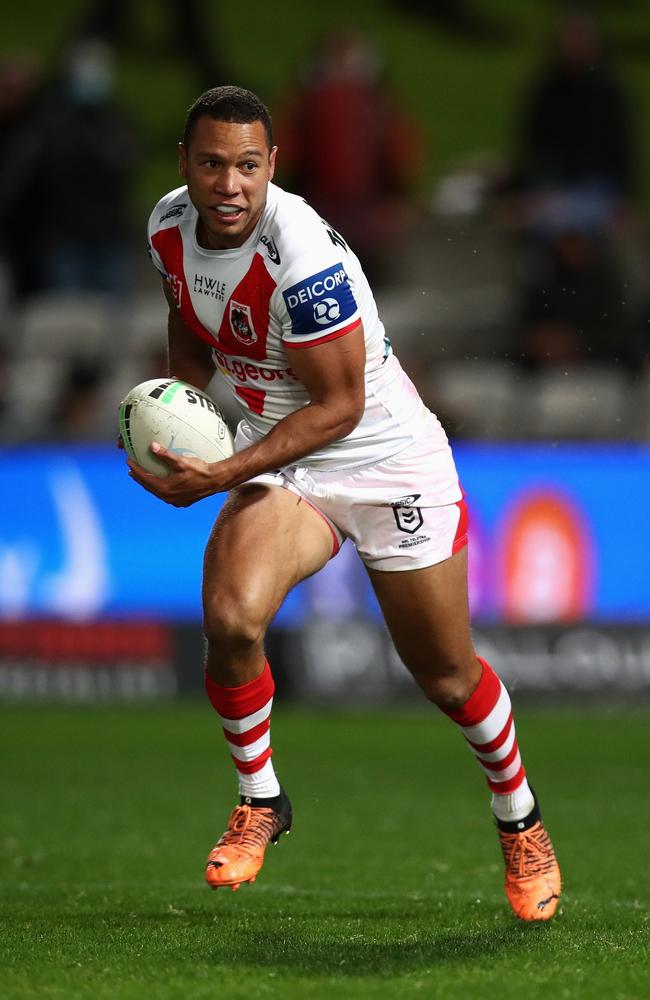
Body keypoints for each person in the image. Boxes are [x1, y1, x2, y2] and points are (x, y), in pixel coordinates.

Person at [128, 86, 561, 921]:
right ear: (185, 164)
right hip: (286, 463)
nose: (230, 184)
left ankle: (521, 818)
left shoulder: (303, 257)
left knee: (444, 673)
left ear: (272, 167)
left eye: (248, 166)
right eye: (213, 163)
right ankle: (263, 799)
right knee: (231, 619)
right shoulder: (165, 228)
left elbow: (341, 407)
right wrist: (169, 417)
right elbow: (190, 326)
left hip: (384, 458)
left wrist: (224, 473)